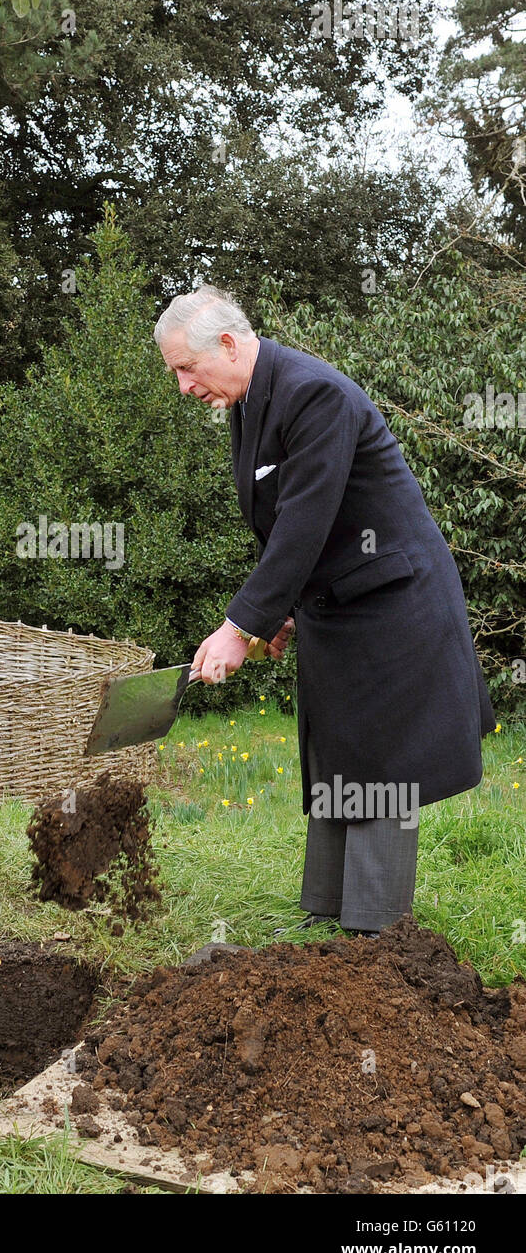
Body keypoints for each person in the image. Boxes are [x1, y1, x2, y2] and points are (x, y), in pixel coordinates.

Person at [154, 285, 496, 937]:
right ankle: (328, 913)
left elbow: (303, 523)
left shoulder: (314, 393)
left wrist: (239, 626)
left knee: (381, 763)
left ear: (226, 344)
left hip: (392, 605)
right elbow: (284, 518)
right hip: (336, 604)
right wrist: (279, 611)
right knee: (339, 750)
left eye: (185, 368)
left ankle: (375, 938)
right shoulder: (251, 399)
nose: (181, 385)